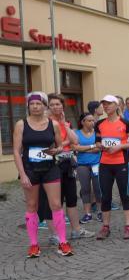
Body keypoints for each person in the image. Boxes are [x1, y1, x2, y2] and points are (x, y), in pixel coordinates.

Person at [14, 93, 72, 258]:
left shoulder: (53, 124)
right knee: (32, 205)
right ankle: (34, 245)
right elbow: (17, 152)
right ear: (28, 106)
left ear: (44, 106)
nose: (35, 106)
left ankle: (63, 242)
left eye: (38, 104)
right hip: (30, 170)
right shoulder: (21, 124)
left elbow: (60, 145)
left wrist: (57, 150)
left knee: (56, 204)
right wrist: (22, 174)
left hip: (50, 169)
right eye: (32, 104)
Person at [43, 94, 94, 241]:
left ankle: (76, 230)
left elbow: (75, 140)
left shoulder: (65, 122)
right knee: (54, 201)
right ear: (48, 107)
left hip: (67, 163)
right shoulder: (45, 122)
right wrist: (65, 143)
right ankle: (55, 234)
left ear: (63, 106)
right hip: (52, 165)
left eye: (58, 104)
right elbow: (52, 144)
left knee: (71, 198)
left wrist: (64, 124)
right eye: (52, 104)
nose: (55, 107)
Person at [95, 95, 129, 240]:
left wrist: (119, 147)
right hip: (105, 164)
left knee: (125, 195)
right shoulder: (99, 123)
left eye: (109, 104)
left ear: (116, 105)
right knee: (105, 196)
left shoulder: (125, 123)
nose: (106, 106)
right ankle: (105, 227)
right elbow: (98, 141)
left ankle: (128, 226)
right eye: (104, 104)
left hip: (121, 163)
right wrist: (101, 146)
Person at [74, 113, 102, 224]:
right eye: (89, 120)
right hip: (82, 164)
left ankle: (100, 212)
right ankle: (87, 214)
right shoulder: (76, 133)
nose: (92, 122)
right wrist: (91, 147)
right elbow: (75, 147)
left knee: (98, 188)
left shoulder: (97, 133)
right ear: (83, 122)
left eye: (93, 120)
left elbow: (99, 148)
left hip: (96, 164)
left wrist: (83, 149)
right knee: (85, 189)